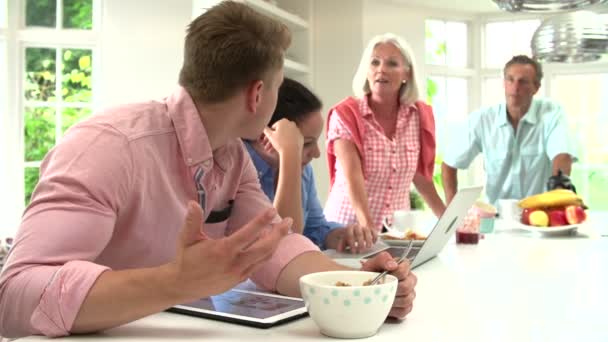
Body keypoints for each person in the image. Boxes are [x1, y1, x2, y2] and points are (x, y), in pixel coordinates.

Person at [0, 3, 417, 338]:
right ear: (258, 94)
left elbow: (271, 245)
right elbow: (14, 295)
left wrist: (362, 286)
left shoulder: (233, 157)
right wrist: (175, 281)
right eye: (277, 85)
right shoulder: (105, 148)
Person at [324, 32, 446, 233]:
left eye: (391, 64)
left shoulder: (418, 116)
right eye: (375, 62)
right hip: (348, 229)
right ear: (367, 70)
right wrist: (367, 226)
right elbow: (353, 177)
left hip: (397, 233)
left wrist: (449, 222)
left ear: (407, 73)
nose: (381, 69)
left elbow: (421, 177)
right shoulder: (345, 114)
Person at [244, 78, 376, 253]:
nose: (316, 154)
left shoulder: (304, 170)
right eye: (306, 144)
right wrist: (290, 155)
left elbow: (315, 228)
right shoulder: (240, 167)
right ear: (266, 138)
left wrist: (342, 234)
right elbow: (284, 244)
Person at [441, 55, 577, 206]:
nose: (515, 87)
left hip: (538, 215)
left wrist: (558, 195)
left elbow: (562, 155)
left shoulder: (551, 113)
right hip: (495, 218)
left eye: (523, 81)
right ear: (504, 83)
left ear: (536, 87)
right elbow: (449, 164)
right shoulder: (483, 119)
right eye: (510, 79)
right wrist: (452, 213)